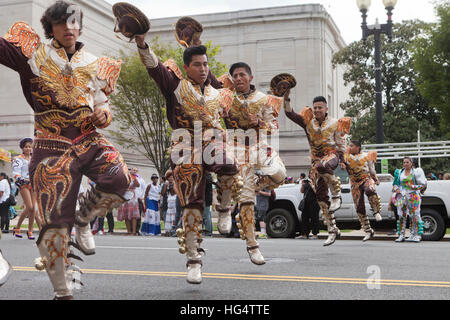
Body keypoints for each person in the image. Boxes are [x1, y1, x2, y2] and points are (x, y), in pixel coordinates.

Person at [0, 1, 134, 299]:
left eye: (74, 22)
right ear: (52, 27)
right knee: (55, 225)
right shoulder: (32, 54)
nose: (69, 28)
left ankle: (84, 218)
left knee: (120, 178)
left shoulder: (96, 63)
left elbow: (103, 103)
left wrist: (105, 115)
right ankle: (63, 292)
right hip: (50, 144)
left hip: (88, 138)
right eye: (62, 23)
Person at [135, 34, 242, 284]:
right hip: (185, 146)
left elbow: (233, 114)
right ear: (186, 68)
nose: (203, 69)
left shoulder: (216, 90)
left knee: (228, 163)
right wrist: (141, 43)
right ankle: (194, 259)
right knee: (192, 205)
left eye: (205, 64)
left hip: (212, 140)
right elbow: (154, 67)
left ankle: (224, 208)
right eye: (197, 64)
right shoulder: (174, 84)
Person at [213, 62, 286, 265]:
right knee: (246, 201)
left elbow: (274, 127)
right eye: (235, 75)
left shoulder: (263, 100)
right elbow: (212, 118)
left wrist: (259, 123)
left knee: (279, 173)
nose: (238, 78)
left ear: (250, 78)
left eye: (242, 75)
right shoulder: (225, 97)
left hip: (257, 146)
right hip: (234, 148)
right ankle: (251, 244)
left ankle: (252, 184)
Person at [284, 94, 350, 246]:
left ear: (326, 108)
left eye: (320, 107)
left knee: (323, 166)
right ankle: (332, 229)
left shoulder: (335, 123)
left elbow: (341, 144)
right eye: (315, 108)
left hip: (331, 156)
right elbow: (290, 114)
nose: (317, 110)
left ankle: (336, 195)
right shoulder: (308, 122)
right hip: (315, 162)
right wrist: (286, 98)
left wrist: (342, 160)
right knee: (320, 198)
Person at [340, 140, 382, 242]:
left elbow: (371, 169)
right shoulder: (347, 157)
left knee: (370, 190)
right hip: (354, 183)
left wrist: (375, 178)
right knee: (359, 207)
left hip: (366, 179)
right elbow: (343, 167)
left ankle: (376, 211)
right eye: (349, 146)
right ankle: (368, 230)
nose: (350, 147)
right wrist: (343, 165)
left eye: (352, 146)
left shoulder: (367, 155)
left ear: (358, 147)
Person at [389, 157, 427, 243]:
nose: (405, 164)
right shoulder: (399, 172)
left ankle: (416, 235)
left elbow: (423, 185)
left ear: (411, 163)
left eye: (407, 162)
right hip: (402, 196)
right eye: (404, 162)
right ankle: (401, 235)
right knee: (401, 216)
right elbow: (395, 184)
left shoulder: (416, 172)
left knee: (415, 215)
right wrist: (396, 189)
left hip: (413, 196)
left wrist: (412, 186)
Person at [11, 138, 37, 239]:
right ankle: (17, 227)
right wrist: (22, 179)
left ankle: (30, 231)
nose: (28, 148)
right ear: (22, 147)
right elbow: (15, 172)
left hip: (34, 184)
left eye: (30, 147)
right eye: (26, 147)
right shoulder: (18, 159)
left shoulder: (34, 158)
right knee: (30, 207)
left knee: (33, 209)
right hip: (23, 184)